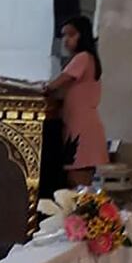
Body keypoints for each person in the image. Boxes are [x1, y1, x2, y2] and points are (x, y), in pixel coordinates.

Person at [43, 15, 108, 187]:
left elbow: (55, 85)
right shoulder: (85, 59)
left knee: (78, 182)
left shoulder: (83, 57)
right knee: (75, 182)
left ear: (83, 35)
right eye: (64, 36)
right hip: (79, 124)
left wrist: (41, 87)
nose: (66, 40)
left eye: (71, 35)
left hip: (82, 127)